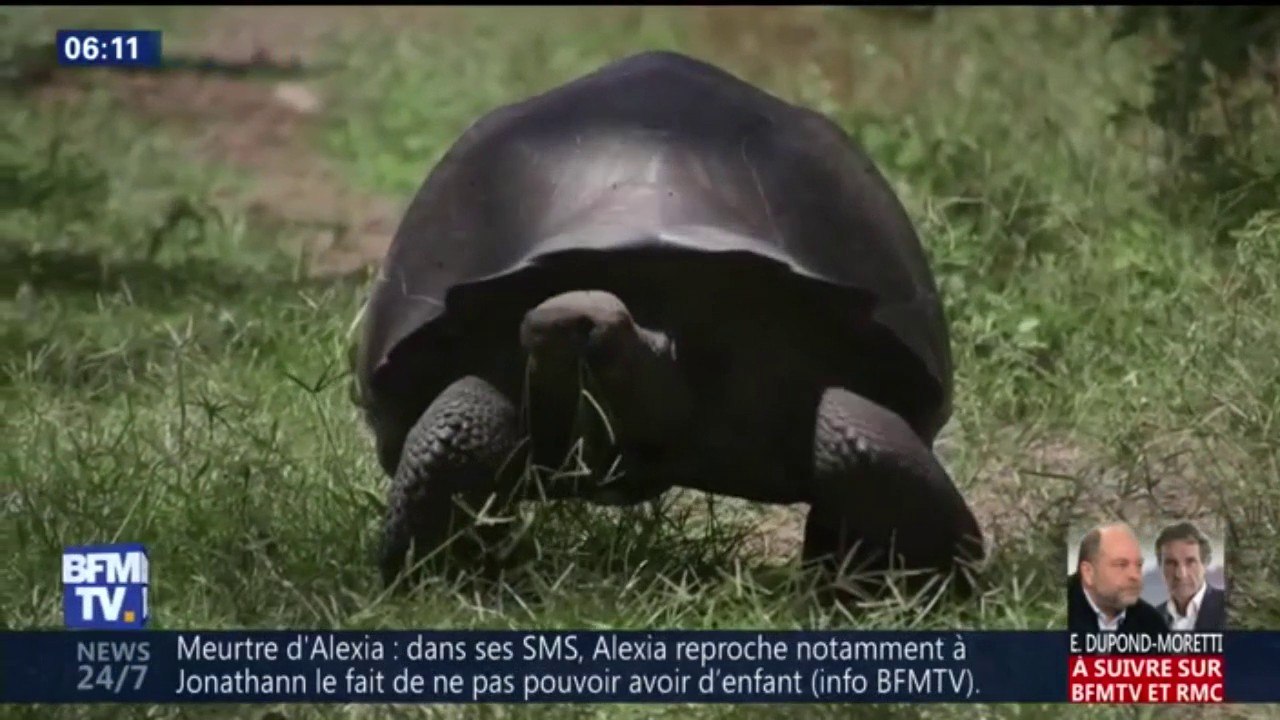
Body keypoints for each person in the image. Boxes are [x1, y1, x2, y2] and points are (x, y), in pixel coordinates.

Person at [1067, 522, 1167, 635]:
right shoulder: (1053, 612)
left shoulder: (1152, 625)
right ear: (1088, 573)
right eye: (1121, 565)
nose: (1135, 575)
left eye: (1139, 565)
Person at [1154, 521, 1227, 631]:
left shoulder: (1230, 609)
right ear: (1160, 566)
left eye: (1190, 562)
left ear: (1205, 563)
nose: (1180, 574)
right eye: (1171, 563)